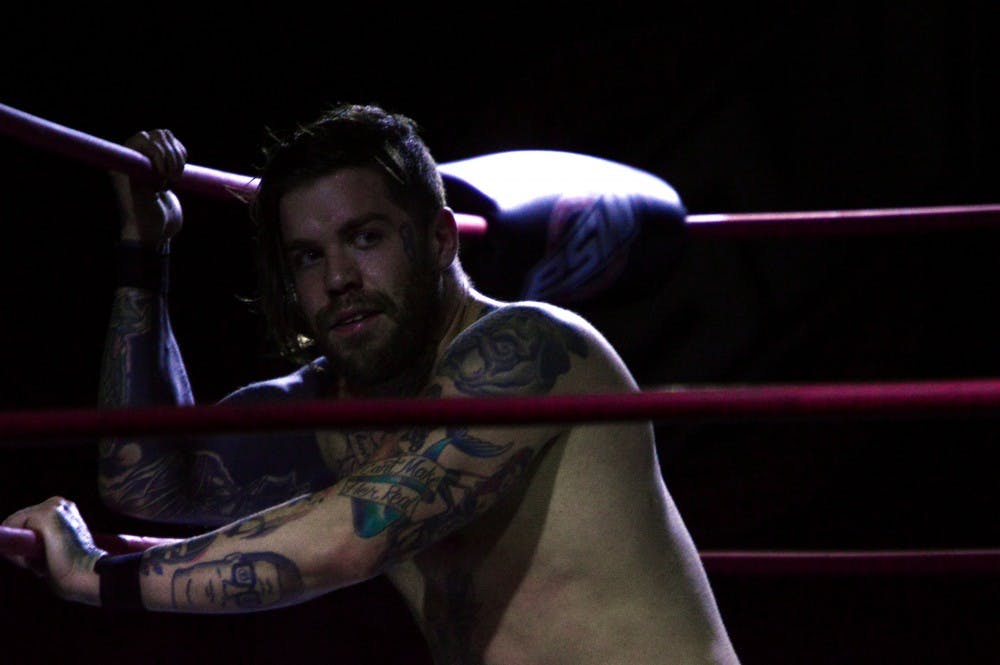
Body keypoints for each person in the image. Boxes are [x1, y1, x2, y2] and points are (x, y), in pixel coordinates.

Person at [3, 104, 739, 664]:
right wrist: (145, 254)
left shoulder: (532, 352)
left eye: (365, 238)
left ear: (439, 239)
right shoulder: (335, 410)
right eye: (307, 257)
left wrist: (97, 576)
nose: (339, 281)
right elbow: (148, 482)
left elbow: (355, 535)